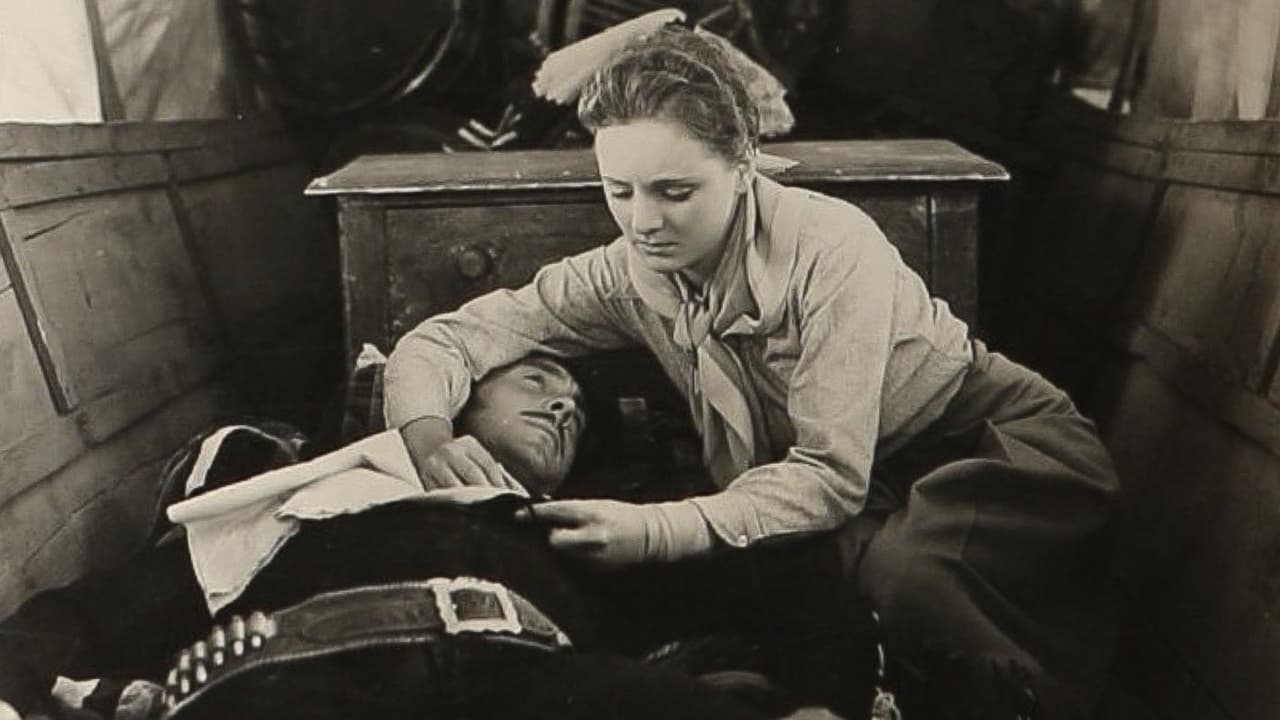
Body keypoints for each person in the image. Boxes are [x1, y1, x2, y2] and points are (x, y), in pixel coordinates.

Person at [384, 19, 1121, 720]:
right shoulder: (625, 272)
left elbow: (830, 475)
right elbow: (448, 339)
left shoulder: (831, 249)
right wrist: (429, 436)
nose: (643, 222)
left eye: (675, 192)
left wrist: (657, 529)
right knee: (784, 601)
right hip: (862, 490)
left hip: (982, 451)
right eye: (619, 191)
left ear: (742, 167)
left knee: (907, 582)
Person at [0, 355, 867, 720]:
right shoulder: (300, 499)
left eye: (574, 412)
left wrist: (826, 701)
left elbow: (786, 564)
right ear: (457, 402)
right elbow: (76, 614)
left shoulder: (575, 532)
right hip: (303, 686)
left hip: (528, 688)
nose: (562, 406)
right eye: (537, 381)